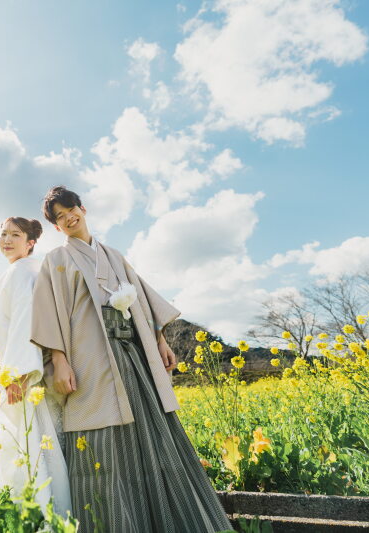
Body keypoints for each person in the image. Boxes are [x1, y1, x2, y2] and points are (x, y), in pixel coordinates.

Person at [30, 186, 232, 533]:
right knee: (99, 437)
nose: (68, 218)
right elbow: (51, 312)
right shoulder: (57, 261)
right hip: (90, 356)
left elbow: (140, 301)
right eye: (60, 217)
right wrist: (60, 360)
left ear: (83, 208)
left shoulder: (114, 254)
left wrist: (159, 340)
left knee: (152, 432)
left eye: (71, 210)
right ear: (56, 227)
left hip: (133, 355)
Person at [0, 216, 71, 518]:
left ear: (30, 242)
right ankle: (50, 515)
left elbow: (25, 324)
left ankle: (40, 517)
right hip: (23, 373)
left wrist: (17, 375)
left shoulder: (23, 272)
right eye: (3, 234)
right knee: (41, 448)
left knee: (29, 446)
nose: (6, 240)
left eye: (15, 235)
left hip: (22, 377)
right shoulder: (23, 270)